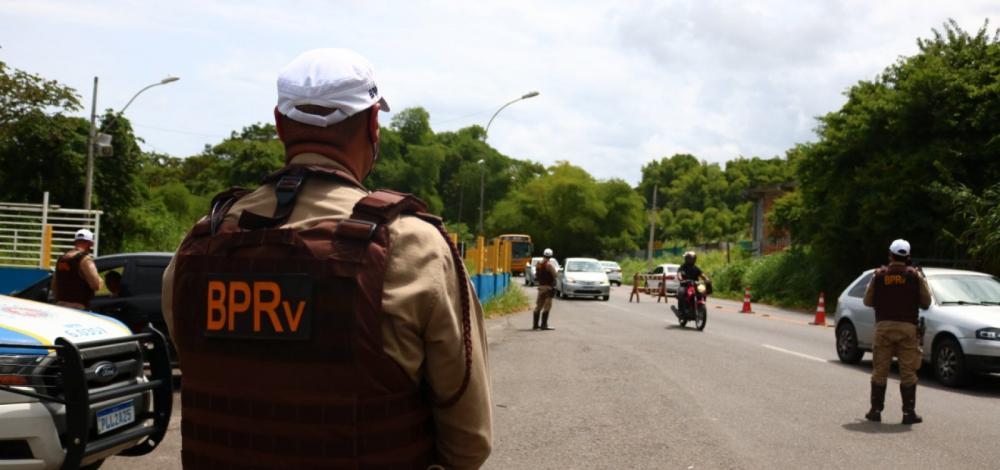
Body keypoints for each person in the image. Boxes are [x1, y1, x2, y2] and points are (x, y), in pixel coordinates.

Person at [161, 49, 492, 469]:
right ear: (373, 125)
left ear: (280, 124)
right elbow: (469, 441)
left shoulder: (200, 243)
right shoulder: (413, 244)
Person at [862, 239, 931, 425]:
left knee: (880, 371)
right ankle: (909, 413)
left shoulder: (879, 275)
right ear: (907, 257)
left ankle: (875, 411)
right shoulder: (915, 276)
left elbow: (867, 301)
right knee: (908, 372)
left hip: (883, 327)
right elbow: (926, 302)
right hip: (907, 328)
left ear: (890, 255)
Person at [52, 229, 102, 309]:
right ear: (90, 244)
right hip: (77, 309)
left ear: (75, 242)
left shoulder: (61, 259)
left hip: (60, 307)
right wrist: (100, 280)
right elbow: (96, 285)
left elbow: (54, 286)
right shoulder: (85, 259)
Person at [532, 248, 558, 331]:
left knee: (538, 306)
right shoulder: (549, 265)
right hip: (548, 288)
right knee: (547, 307)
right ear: (550, 256)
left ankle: (535, 325)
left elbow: (536, 275)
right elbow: (555, 275)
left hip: (540, 288)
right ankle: (544, 325)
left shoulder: (538, 264)